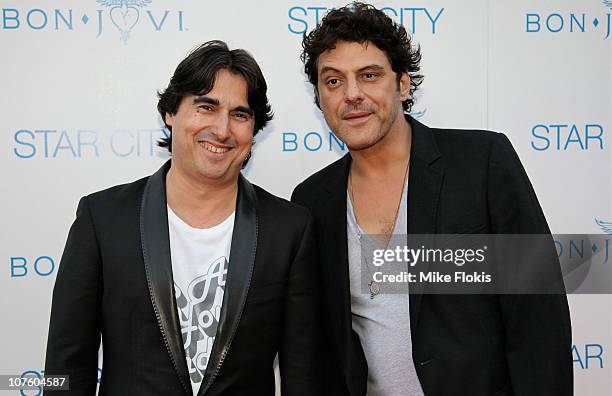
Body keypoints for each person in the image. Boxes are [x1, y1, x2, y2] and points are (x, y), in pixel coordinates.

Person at [291, 3, 573, 395]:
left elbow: (538, 316)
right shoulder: (311, 200)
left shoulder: (482, 162)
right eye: (333, 81)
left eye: (369, 75)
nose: (351, 94)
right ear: (320, 95)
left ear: (402, 83)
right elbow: (321, 346)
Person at [45, 40, 320, 396]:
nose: (222, 130)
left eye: (240, 114)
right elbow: (65, 369)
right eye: (206, 107)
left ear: (253, 129)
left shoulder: (290, 230)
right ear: (171, 112)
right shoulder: (102, 219)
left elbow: (304, 376)